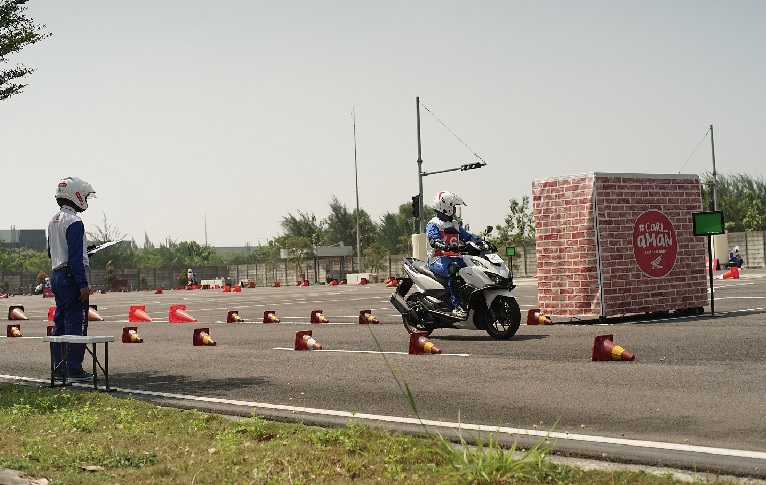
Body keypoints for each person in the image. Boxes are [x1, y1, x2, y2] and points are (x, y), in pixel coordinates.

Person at [47, 176, 97, 381]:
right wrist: (83, 284)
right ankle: (74, 368)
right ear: (76, 195)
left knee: (60, 323)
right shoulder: (75, 221)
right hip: (71, 278)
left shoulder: (53, 220)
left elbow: (52, 252)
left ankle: (58, 367)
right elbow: (75, 257)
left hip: (57, 275)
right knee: (77, 322)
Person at [426, 190, 479, 319]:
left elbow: (467, 237)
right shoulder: (434, 224)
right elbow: (433, 239)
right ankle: (457, 306)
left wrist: (481, 242)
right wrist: (442, 245)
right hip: (438, 259)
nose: (455, 209)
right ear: (446, 207)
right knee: (454, 270)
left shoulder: (455, 224)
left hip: (455, 258)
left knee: (475, 268)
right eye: (453, 206)